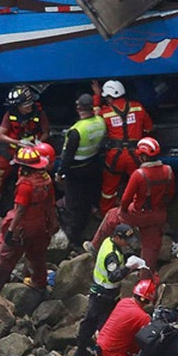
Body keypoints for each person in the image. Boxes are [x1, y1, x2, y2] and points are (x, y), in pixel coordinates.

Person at [0, 146, 58, 301]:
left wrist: (11, 231)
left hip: (23, 227)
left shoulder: (26, 184)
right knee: (37, 256)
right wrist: (53, 223)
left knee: (6, 258)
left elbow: (20, 210)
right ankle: (39, 282)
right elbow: (50, 204)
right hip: (40, 225)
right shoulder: (46, 179)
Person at [88, 136, 175, 269]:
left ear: (142, 156)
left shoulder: (139, 174)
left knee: (112, 215)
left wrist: (123, 211)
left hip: (139, 213)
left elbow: (125, 199)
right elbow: (170, 194)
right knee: (150, 246)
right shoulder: (168, 171)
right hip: (158, 214)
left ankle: (94, 247)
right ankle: (146, 277)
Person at [76, 224, 146, 356]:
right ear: (117, 238)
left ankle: (85, 347)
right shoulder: (111, 255)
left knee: (92, 320)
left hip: (103, 291)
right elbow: (113, 276)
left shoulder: (108, 241)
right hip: (104, 294)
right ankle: (97, 353)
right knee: (103, 323)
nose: (127, 244)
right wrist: (128, 267)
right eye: (126, 241)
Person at [92, 79, 154, 216]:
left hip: (115, 156)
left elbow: (94, 125)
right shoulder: (138, 107)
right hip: (135, 155)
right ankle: (138, 213)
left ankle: (106, 216)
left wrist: (96, 98)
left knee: (108, 190)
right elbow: (149, 129)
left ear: (108, 97)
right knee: (139, 186)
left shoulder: (104, 112)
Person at [0, 85, 50, 208]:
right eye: (26, 105)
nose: (29, 107)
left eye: (30, 104)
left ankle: (36, 203)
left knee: (38, 178)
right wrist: (18, 142)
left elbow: (46, 131)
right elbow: (1, 136)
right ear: (18, 106)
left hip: (33, 152)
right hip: (14, 150)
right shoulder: (10, 115)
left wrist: (38, 143)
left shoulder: (39, 113)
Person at [57, 93, 106, 248]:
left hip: (75, 171)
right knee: (87, 199)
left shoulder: (76, 130)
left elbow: (67, 156)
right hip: (92, 166)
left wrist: (60, 174)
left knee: (73, 204)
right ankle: (86, 226)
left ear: (78, 108)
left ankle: (74, 237)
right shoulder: (100, 122)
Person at [95, 278, 157, 356]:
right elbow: (146, 341)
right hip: (111, 353)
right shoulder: (142, 317)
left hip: (101, 344)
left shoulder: (124, 302)